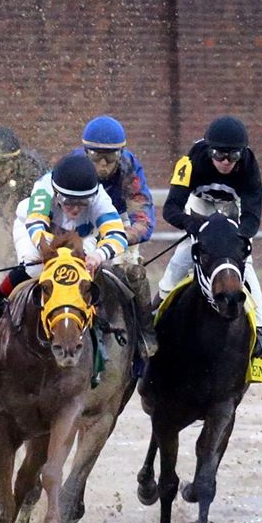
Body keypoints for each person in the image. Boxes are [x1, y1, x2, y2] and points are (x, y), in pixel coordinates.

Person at [0, 152, 128, 329]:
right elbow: (36, 225)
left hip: (81, 237)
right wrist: (53, 253)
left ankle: (96, 318)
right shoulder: (44, 188)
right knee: (34, 266)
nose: (76, 210)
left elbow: (118, 236)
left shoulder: (100, 198)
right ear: (57, 194)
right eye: (69, 202)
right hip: (37, 229)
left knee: (85, 271)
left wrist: (98, 256)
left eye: (83, 203)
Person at [159, 115, 262, 358]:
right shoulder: (190, 161)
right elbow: (171, 209)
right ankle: (155, 315)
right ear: (209, 151)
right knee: (182, 257)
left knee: (245, 265)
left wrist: (234, 238)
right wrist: (196, 227)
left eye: (233, 156)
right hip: (200, 208)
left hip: (234, 210)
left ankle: (260, 330)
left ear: (243, 154)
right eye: (219, 155)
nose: (226, 162)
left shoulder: (250, 166)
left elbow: (252, 218)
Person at [75, 115, 159, 357]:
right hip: (81, 220)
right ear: (85, 152)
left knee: (132, 270)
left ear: (120, 155)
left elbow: (143, 219)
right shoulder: (73, 165)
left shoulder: (130, 168)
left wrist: (118, 238)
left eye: (110, 158)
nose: (102, 165)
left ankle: (145, 331)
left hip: (119, 224)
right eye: (96, 157)